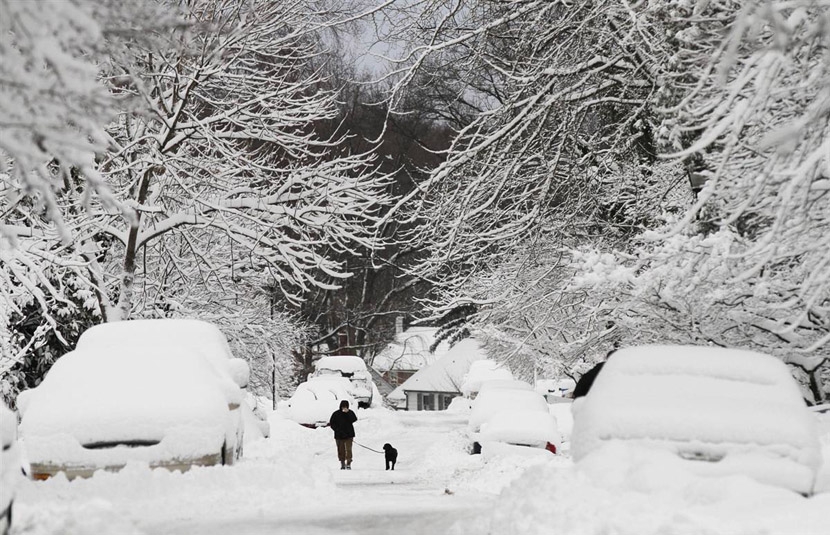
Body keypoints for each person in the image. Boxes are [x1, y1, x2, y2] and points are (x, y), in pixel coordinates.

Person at [329, 399, 358, 470]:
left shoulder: (350, 413)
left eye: (345, 406)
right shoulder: (336, 414)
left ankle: (348, 463)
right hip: (339, 435)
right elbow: (332, 423)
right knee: (340, 450)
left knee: (348, 450)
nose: (344, 408)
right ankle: (342, 463)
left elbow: (354, 419)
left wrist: (348, 413)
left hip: (349, 435)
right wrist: (337, 430)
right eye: (343, 406)